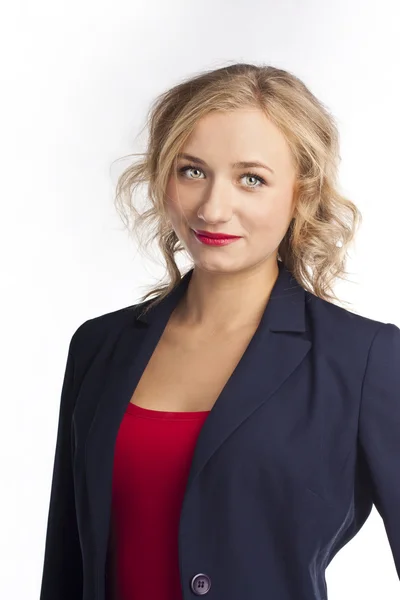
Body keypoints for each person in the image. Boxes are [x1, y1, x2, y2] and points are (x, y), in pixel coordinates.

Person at [39, 63, 400, 600]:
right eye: (191, 171)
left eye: (251, 178)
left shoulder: (366, 358)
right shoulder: (99, 346)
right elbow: (66, 566)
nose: (212, 208)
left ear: (301, 194)